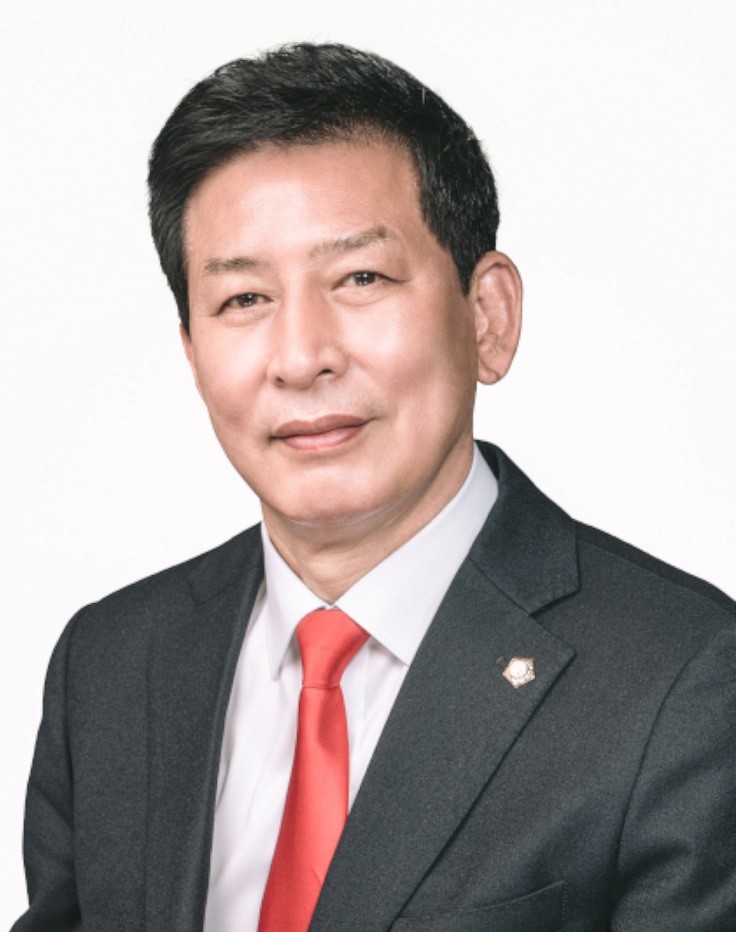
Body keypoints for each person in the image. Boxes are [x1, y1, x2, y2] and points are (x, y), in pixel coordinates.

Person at [12, 42, 736, 932]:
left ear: (488, 317)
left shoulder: (683, 680)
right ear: (193, 353)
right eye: (244, 300)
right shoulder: (112, 664)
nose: (300, 357)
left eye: (360, 278)